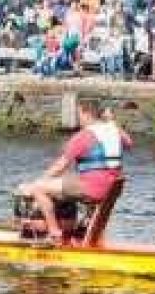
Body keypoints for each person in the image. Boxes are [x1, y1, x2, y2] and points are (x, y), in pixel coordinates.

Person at [16, 101, 132, 243]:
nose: (79, 119)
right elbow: (129, 143)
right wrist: (112, 122)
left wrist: (38, 181)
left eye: (79, 115)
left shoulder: (83, 136)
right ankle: (77, 231)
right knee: (64, 182)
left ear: (86, 114)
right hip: (111, 188)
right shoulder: (114, 132)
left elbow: (61, 165)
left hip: (92, 189)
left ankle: (54, 232)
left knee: (38, 188)